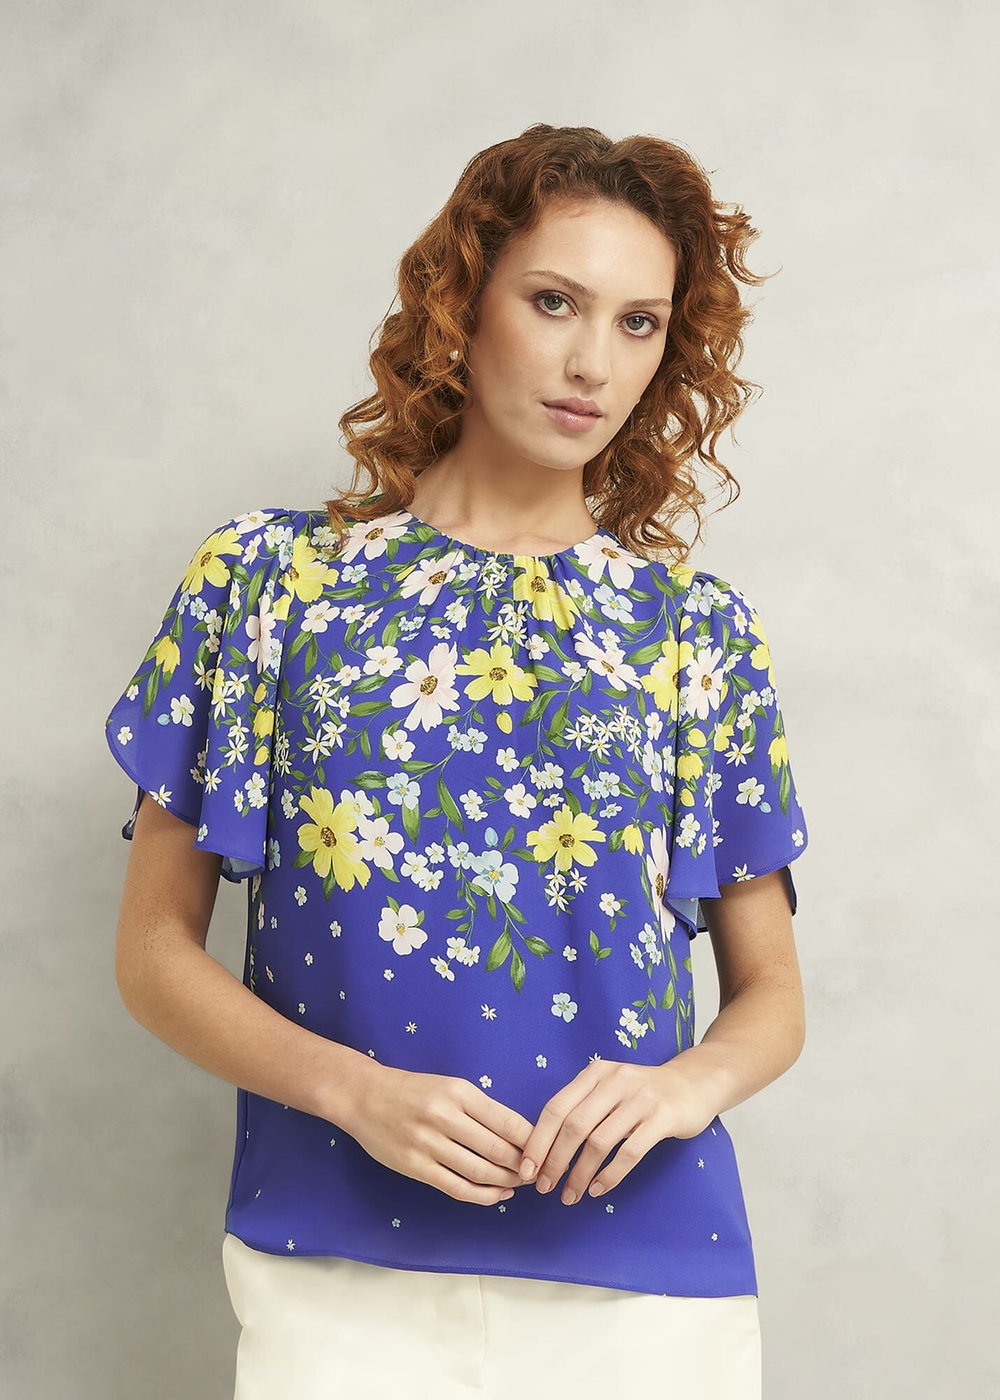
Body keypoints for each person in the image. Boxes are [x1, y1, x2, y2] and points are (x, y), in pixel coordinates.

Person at [105, 123, 809, 1399]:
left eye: (638, 324)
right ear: (461, 303)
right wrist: (352, 1091)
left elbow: (771, 997)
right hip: (334, 1264)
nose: (592, 362)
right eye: (553, 302)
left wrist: (685, 1086)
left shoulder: (695, 632)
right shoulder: (269, 584)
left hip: (644, 1286)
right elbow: (154, 953)